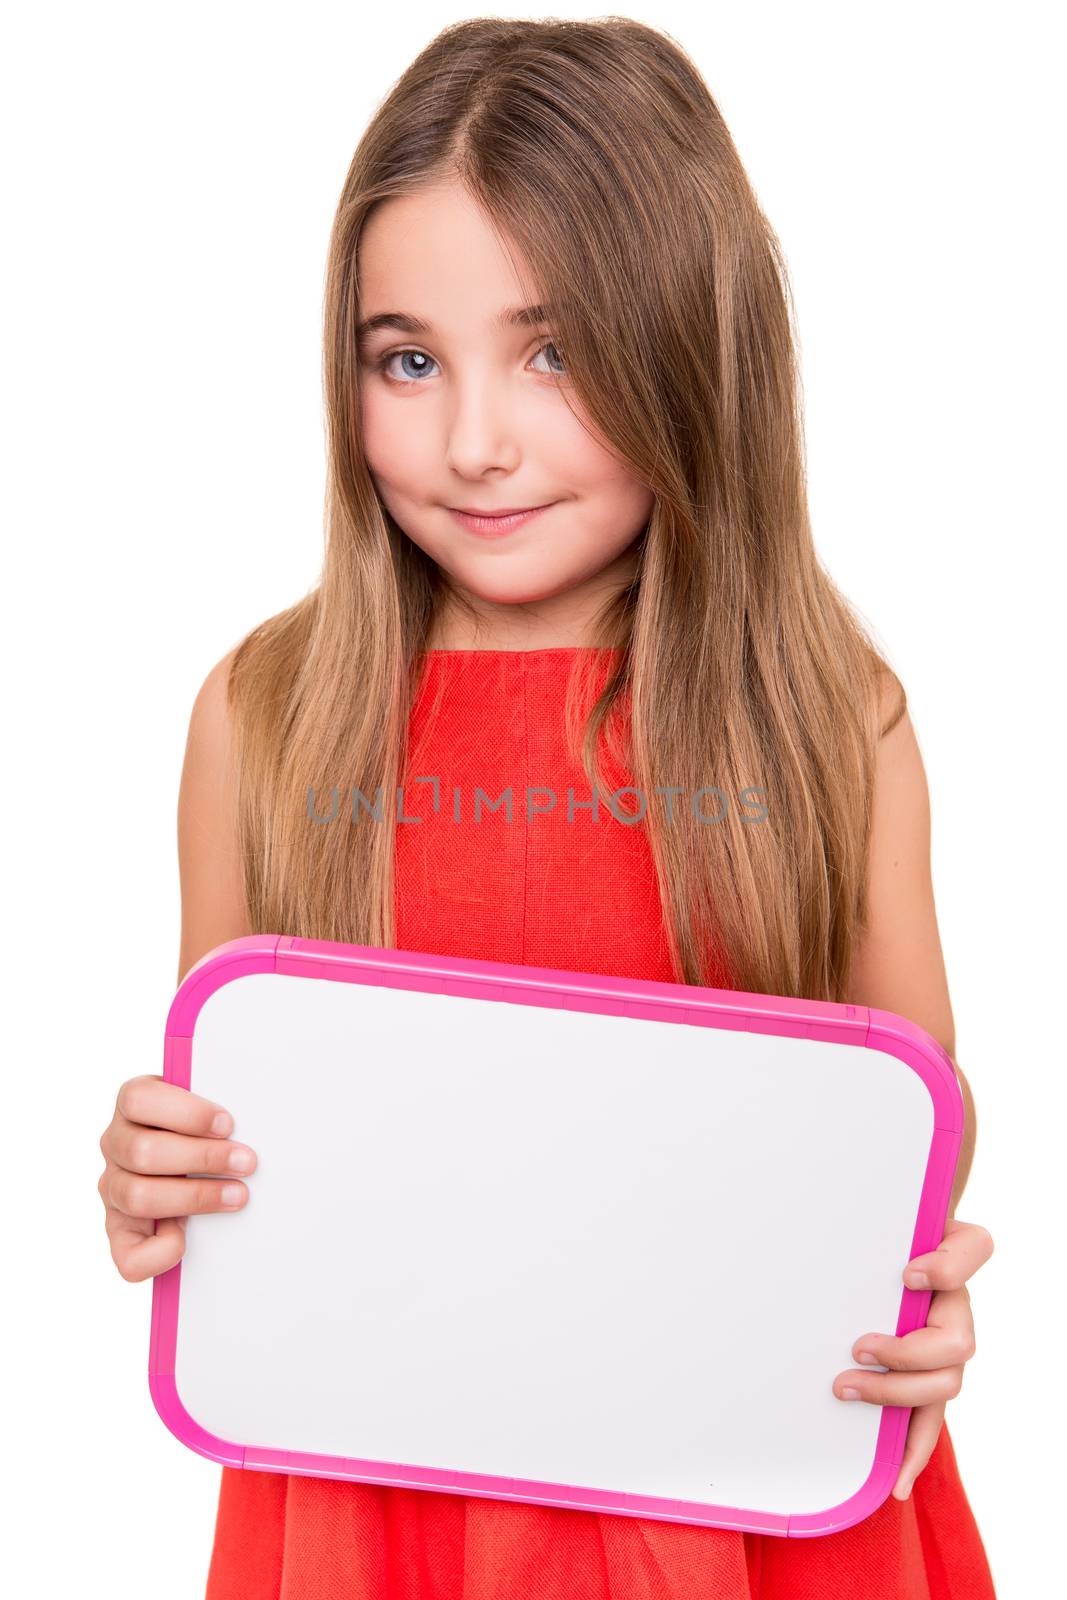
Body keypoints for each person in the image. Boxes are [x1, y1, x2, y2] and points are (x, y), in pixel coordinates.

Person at [97, 16, 996, 1597]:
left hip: (738, 1497)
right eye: (409, 358)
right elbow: (224, 1132)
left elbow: (912, 1124)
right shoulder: (267, 715)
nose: (473, 444)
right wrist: (157, 1179)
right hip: (377, 1501)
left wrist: (916, 1293)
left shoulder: (823, 713)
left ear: (689, 347)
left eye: (556, 351)